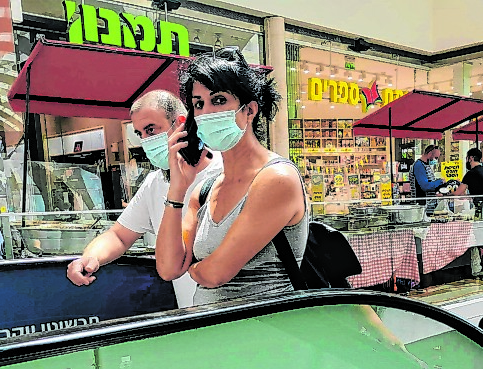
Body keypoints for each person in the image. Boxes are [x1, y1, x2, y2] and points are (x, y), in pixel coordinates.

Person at [155, 47, 307, 306]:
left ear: (249, 110)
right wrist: (177, 190)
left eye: (219, 100)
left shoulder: (277, 178)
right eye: (198, 104)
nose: (207, 113)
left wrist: (195, 270)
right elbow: (169, 269)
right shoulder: (204, 190)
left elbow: (214, 274)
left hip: (268, 332)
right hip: (211, 331)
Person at [66, 90, 223, 308]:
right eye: (140, 134)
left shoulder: (225, 172)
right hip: (191, 315)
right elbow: (120, 235)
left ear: (180, 123)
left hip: (237, 313)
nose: (146, 141)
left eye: (151, 130)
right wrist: (90, 258)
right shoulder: (155, 182)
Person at [450, 147, 483, 279]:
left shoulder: (470, 174)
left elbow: (458, 193)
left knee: (480, 235)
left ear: (470, 158)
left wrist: (445, 194)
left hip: (482, 208)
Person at [409, 144, 445, 215]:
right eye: (435, 157)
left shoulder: (426, 165)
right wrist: (440, 182)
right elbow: (425, 186)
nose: (435, 160)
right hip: (421, 206)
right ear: (429, 154)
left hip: (429, 206)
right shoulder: (419, 166)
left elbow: (430, 182)